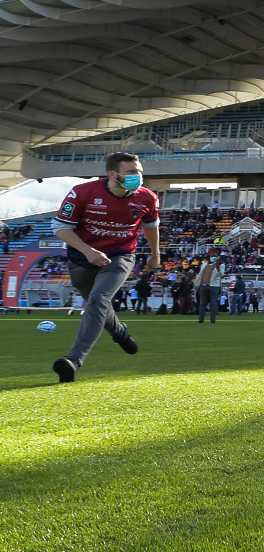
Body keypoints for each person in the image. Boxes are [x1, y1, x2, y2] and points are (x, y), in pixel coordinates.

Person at [49, 151, 160, 383]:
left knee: (98, 300)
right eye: (131, 172)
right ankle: (120, 333)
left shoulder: (147, 198)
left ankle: (73, 361)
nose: (138, 176)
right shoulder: (82, 192)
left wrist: (155, 254)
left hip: (120, 257)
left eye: (139, 172)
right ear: (112, 174)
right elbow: (60, 227)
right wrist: (88, 251)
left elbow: (150, 226)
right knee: (98, 304)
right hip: (81, 259)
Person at [195, 254, 223, 324]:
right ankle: (201, 319)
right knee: (202, 303)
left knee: (213, 303)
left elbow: (221, 275)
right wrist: (197, 284)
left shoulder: (221, 266)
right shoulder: (204, 265)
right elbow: (200, 275)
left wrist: (218, 267)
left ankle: (213, 320)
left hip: (214, 286)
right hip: (204, 286)